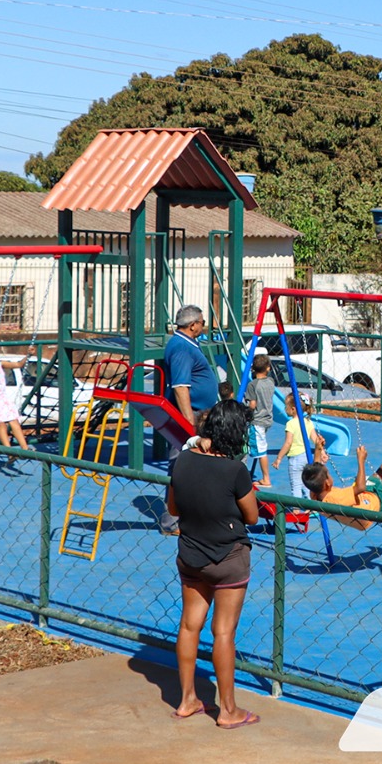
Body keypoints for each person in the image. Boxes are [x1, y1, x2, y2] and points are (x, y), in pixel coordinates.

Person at [167, 401, 259, 728]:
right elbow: (252, 515)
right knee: (224, 632)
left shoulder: (183, 460)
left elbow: (173, 506)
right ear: (235, 433)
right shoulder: (236, 470)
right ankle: (228, 710)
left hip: (191, 553)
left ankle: (187, 699)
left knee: (190, 625)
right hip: (228, 557)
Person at [301, 415, 382, 530]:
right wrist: (361, 461)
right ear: (327, 482)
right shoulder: (335, 499)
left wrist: (318, 448)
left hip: (365, 497)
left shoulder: (315, 495)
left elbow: (317, 468)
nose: (330, 475)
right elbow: (360, 487)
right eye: (328, 474)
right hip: (375, 505)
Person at [164, 305, 220, 433]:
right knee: (184, 451)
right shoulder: (182, 348)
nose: (203, 326)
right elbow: (180, 386)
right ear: (193, 325)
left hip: (198, 412)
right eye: (202, 323)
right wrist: (190, 424)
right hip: (191, 414)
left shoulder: (186, 344)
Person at [273, 389, 321, 502]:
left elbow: (288, 443)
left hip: (295, 459)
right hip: (306, 457)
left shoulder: (290, 424)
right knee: (306, 484)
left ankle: (296, 509)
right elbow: (316, 440)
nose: (285, 409)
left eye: (286, 407)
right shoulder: (308, 422)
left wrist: (279, 458)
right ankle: (312, 507)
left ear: (293, 409)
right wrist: (321, 451)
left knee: (296, 486)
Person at [243, 354, 275, 489]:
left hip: (257, 420)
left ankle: (266, 478)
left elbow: (252, 405)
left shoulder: (252, 385)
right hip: (268, 418)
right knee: (259, 446)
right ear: (268, 368)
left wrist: (245, 409)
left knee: (260, 450)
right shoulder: (271, 381)